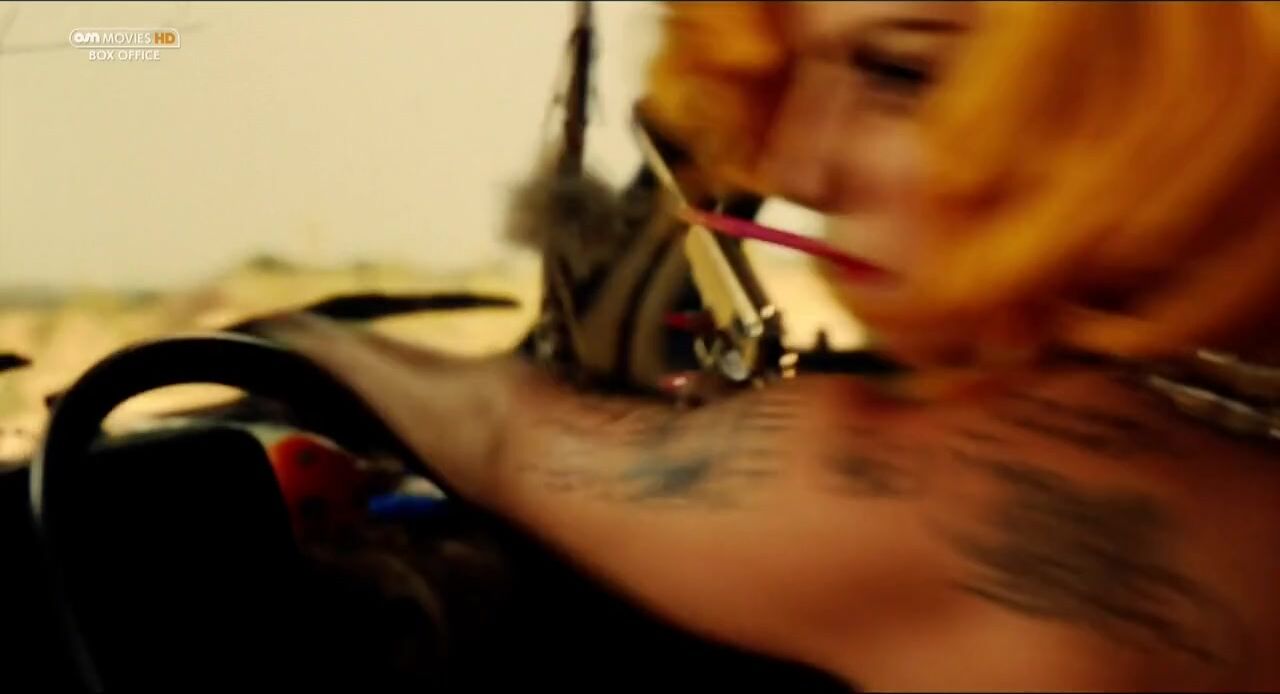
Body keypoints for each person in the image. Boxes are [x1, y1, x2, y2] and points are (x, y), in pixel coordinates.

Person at [257, 2, 1280, 690]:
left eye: (898, 71)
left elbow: (503, 430)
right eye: (795, 75)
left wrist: (296, 341)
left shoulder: (947, 494)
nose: (796, 166)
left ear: (1150, 88)